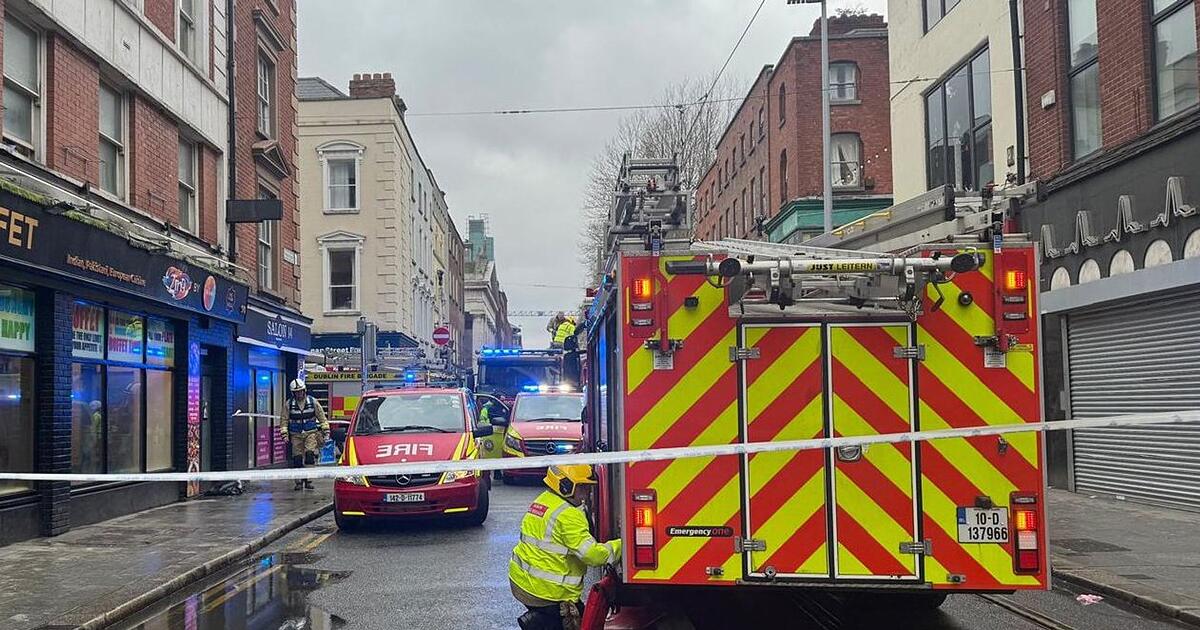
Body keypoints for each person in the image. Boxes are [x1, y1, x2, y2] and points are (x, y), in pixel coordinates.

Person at [510, 464, 622, 630]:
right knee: (577, 622)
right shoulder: (568, 515)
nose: (587, 493)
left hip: (522, 583)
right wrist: (621, 544)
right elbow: (594, 556)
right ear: (565, 486)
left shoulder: (544, 500)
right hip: (546, 592)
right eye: (583, 487)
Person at [281, 379, 329, 490]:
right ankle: (298, 482)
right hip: (295, 434)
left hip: (310, 433)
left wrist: (326, 431)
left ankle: (308, 480)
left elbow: (322, 417)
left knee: (309, 455)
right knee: (297, 458)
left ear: (304, 390)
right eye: (296, 392)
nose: (299, 394)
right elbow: (284, 420)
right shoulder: (289, 404)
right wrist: (285, 435)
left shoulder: (313, 402)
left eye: (301, 391)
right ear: (293, 393)